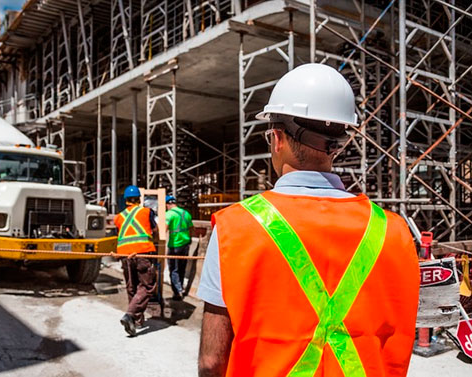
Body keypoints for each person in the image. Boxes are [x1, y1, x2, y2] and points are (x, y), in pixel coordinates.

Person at [197, 64, 420, 376]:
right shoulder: (394, 230)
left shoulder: (235, 228)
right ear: (339, 144)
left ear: (276, 138)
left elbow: (211, 361)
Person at [114, 185, 158, 337]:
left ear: (126, 200)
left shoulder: (119, 217)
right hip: (142, 253)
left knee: (132, 287)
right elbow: (155, 229)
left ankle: (136, 321)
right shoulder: (146, 212)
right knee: (147, 286)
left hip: (125, 256)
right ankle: (130, 315)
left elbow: (120, 234)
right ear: (139, 199)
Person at [165, 195, 194, 300]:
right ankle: (180, 287)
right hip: (185, 244)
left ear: (168, 204)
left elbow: (164, 229)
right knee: (182, 268)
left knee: (173, 269)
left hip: (174, 245)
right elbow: (191, 228)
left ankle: (177, 292)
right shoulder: (186, 214)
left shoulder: (169, 214)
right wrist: (189, 239)